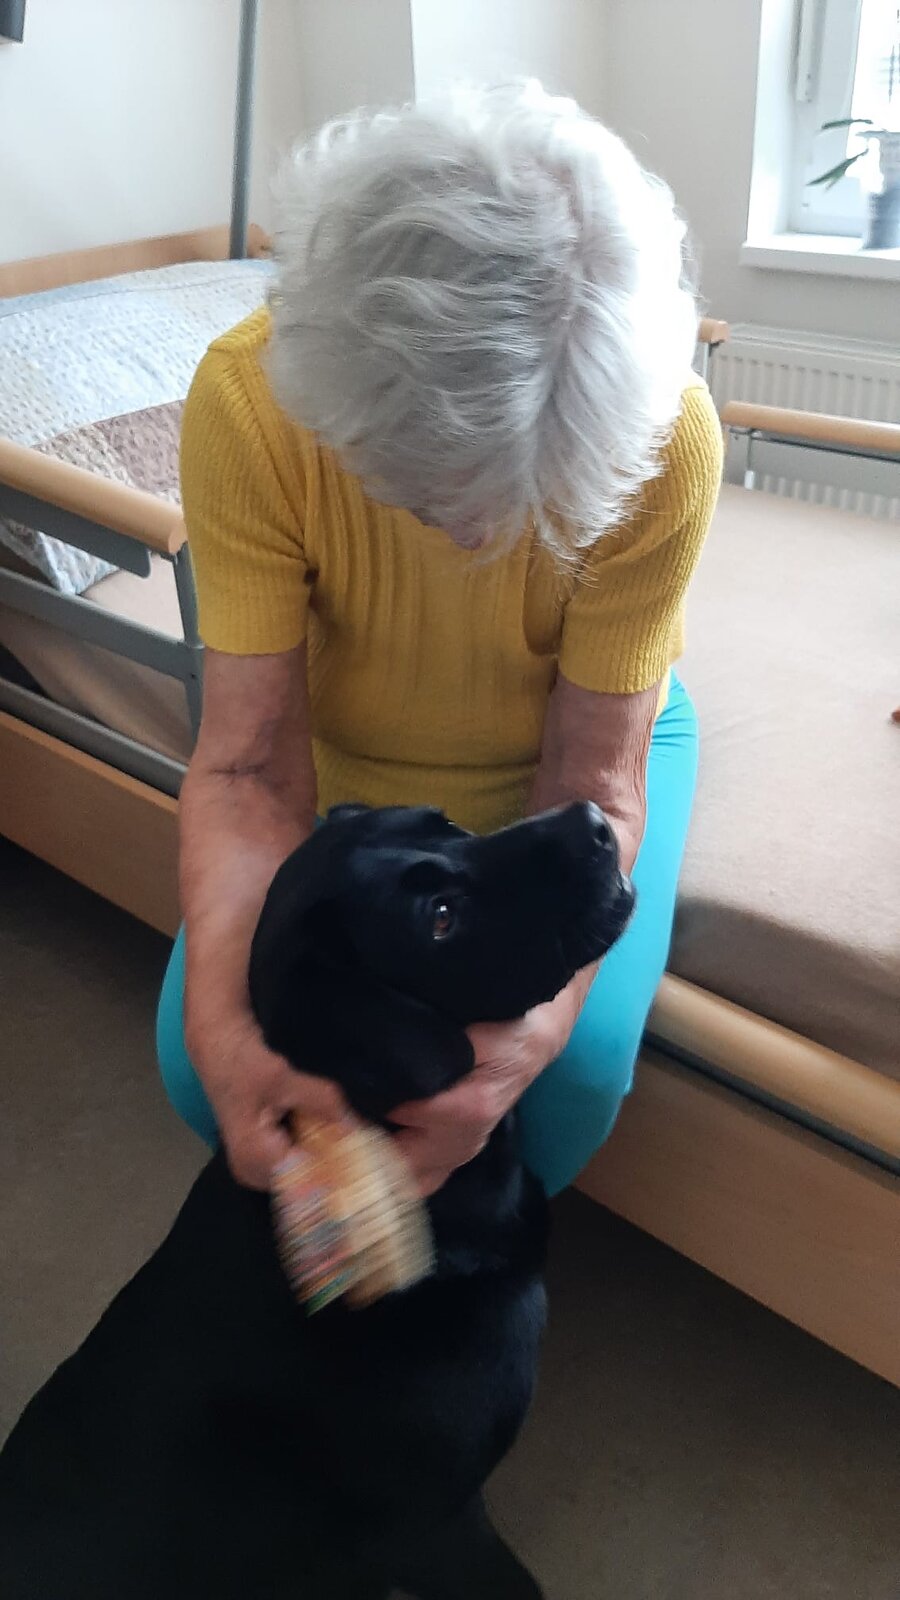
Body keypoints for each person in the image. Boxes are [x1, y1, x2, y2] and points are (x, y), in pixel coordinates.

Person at [157, 81, 722, 1200]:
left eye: (520, 502)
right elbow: (249, 765)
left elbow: (592, 781)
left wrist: (531, 1040)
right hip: (342, 764)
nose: (472, 539)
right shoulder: (247, 403)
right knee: (196, 1068)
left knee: (565, 1081)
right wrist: (224, 1034)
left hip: (578, 750)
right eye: (430, 495)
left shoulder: (667, 436)